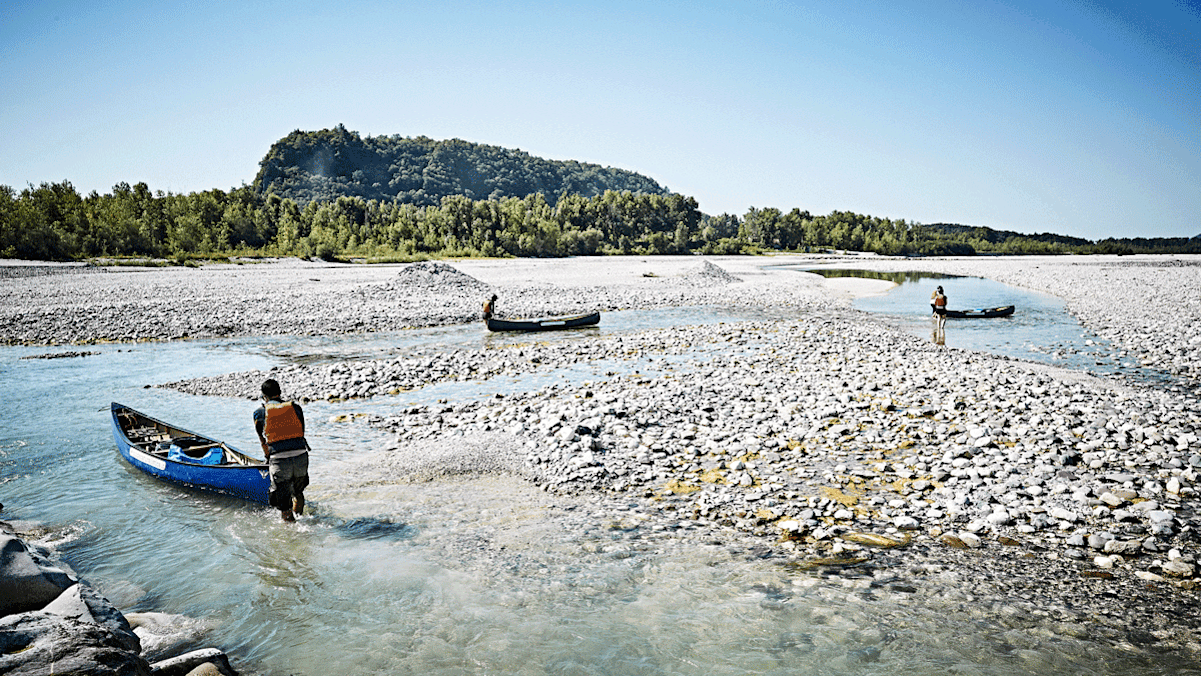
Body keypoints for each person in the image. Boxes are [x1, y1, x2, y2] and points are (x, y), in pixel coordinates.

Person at [253, 378, 310, 522]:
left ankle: (292, 534)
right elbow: (301, 432)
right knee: (298, 493)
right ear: (279, 393)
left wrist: (268, 457)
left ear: (264, 396)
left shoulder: (260, 413)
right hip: (301, 457)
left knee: (284, 504)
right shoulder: (295, 408)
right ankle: (300, 520)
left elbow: (263, 440)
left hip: (280, 461)